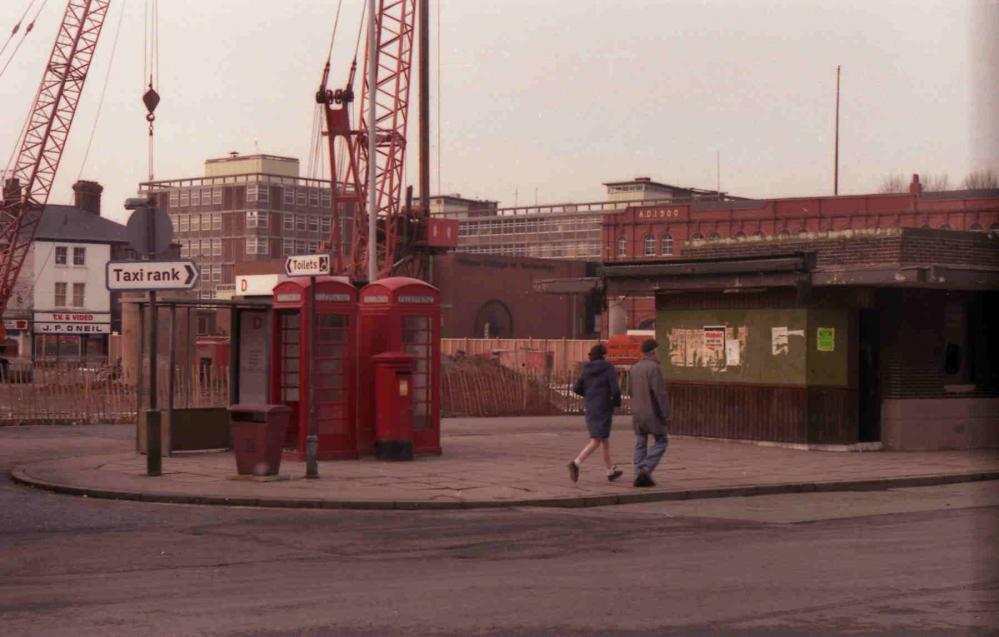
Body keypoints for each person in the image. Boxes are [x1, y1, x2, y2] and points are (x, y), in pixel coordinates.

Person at [568, 343, 624, 483]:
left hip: (591, 406)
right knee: (596, 440)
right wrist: (615, 403)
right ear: (603, 355)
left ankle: (610, 470)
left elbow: (576, 388)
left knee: (603, 439)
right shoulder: (608, 368)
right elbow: (615, 390)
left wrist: (589, 395)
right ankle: (576, 463)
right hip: (604, 406)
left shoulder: (586, 369)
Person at [629, 338, 671, 487]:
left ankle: (638, 475)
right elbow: (660, 393)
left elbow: (630, 391)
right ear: (653, 352)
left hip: (637, 413)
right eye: (658, 351)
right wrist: (666, 413)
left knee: (640, 443)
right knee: (662, 441)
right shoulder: (654, 368)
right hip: (652, 413)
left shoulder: (634, 368)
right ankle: (645, 468)